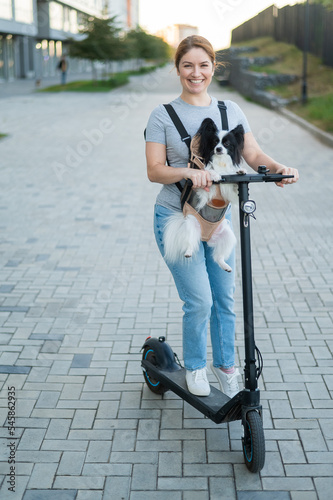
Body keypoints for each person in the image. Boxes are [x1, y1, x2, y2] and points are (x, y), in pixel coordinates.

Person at [145, 35, 299, 398]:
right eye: (187, 65)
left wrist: (277, 168)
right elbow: (154, 170)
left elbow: (253, 153)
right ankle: (196, 367)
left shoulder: (231, 111)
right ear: (178, 69)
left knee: (225, 299)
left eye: (203, 65)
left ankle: (226, 366)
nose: (195, 73)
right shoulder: (162, 115)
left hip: (216, 219)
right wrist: (186, 172)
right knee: (200, 300)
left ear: (214, 67)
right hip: (176, 216)